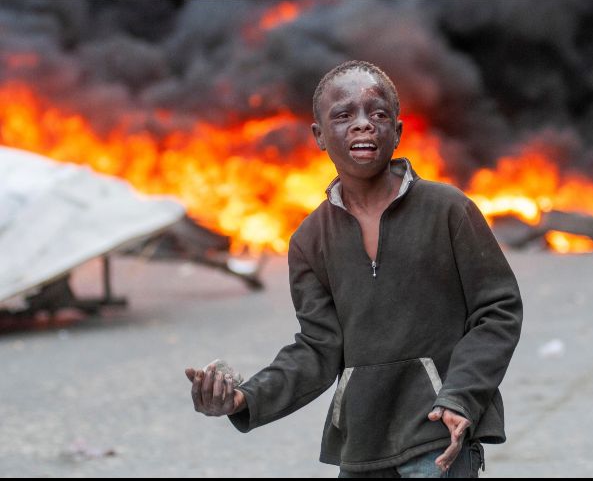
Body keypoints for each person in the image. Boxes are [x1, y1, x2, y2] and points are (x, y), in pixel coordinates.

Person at [185, 60, 523, 478]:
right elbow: (318, 348)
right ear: (319, 136)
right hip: (362, 445)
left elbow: (498, 310)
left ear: (397, 133)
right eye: (343, 115)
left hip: (440, 436)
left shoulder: (449, 210)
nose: (363, 124)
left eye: (378, 114)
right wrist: (245, 399)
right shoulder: (310, 240)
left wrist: (461, 397)